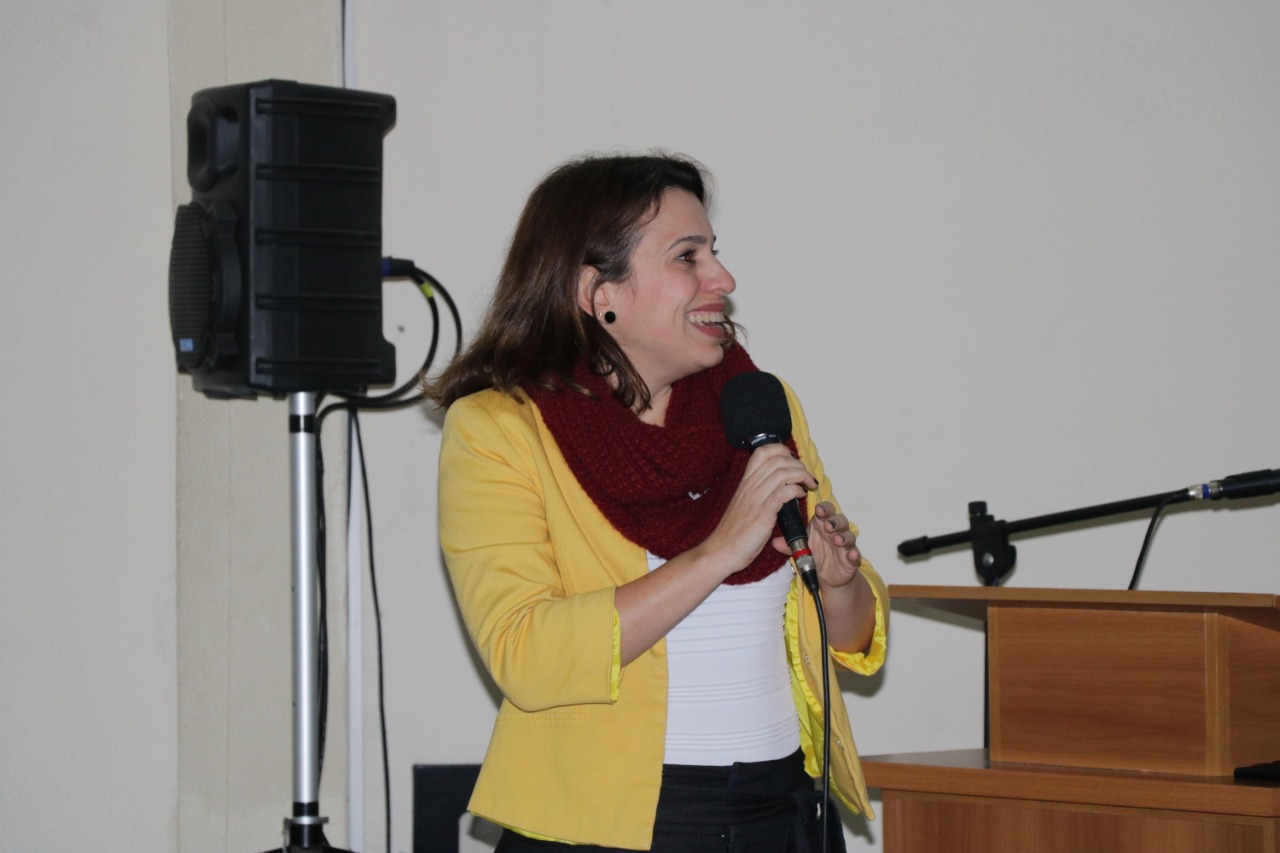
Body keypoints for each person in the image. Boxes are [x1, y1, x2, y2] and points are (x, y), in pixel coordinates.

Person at [427, 152, 888, 852]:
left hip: (785, 811)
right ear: (596, 290)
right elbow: (527, 654)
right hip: (607, 827)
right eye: (687, 256)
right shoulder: (501, 428)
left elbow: (853, 638)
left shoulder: (760, 404)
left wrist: (840, 581)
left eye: (714, 252)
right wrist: (717, 552)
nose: (722, 279)